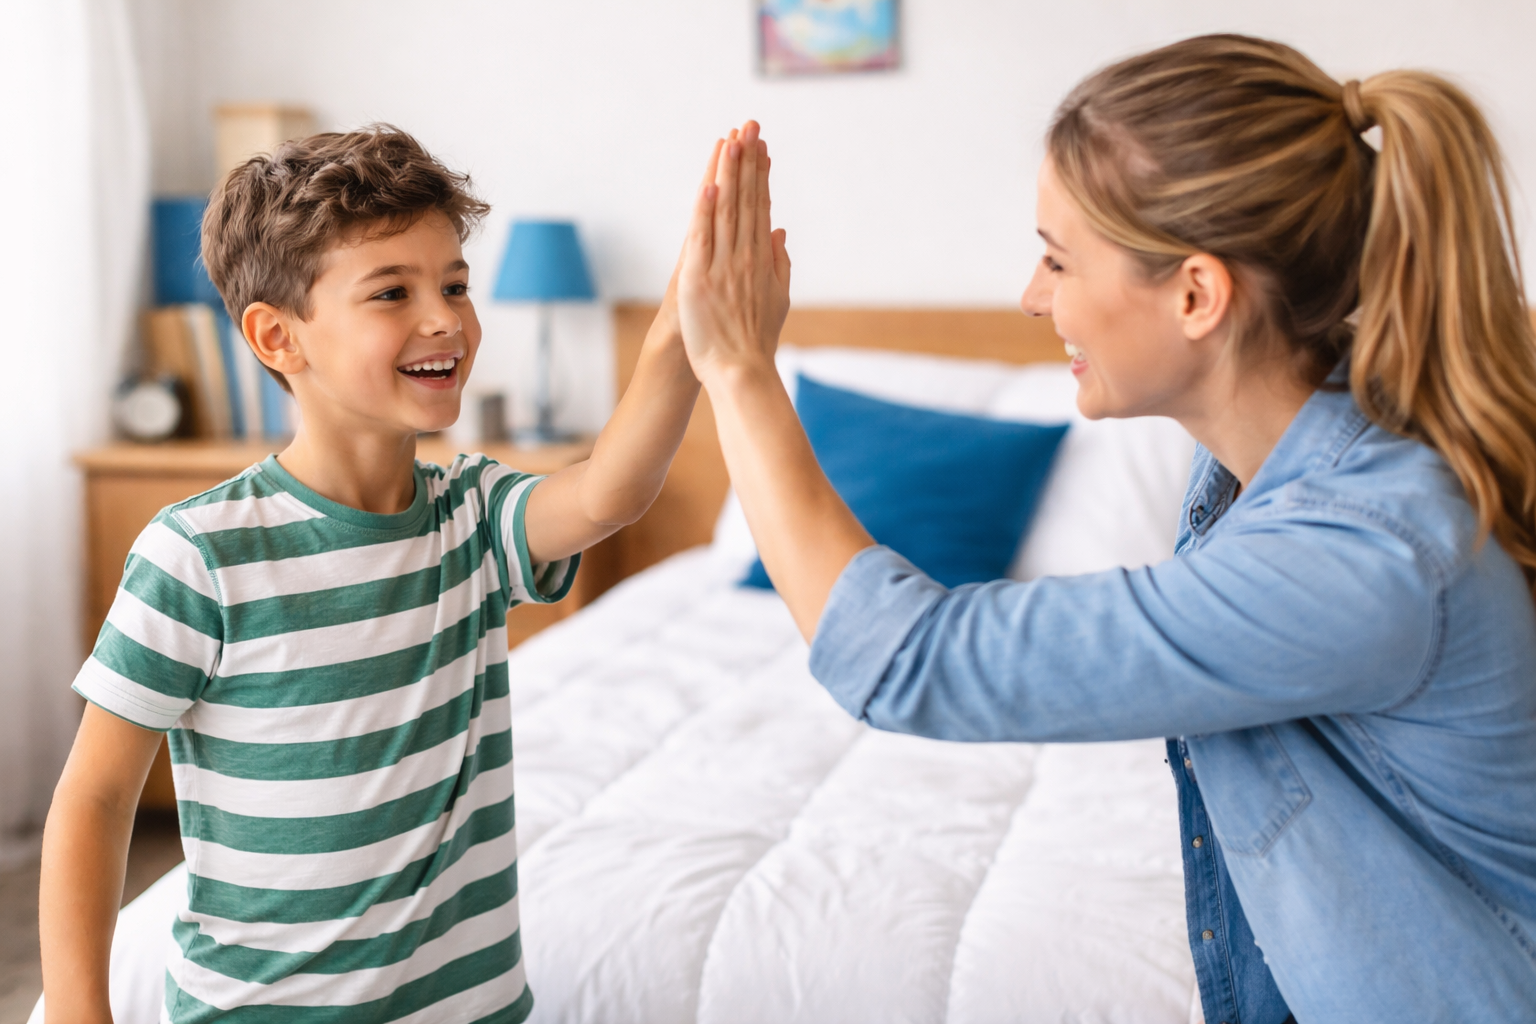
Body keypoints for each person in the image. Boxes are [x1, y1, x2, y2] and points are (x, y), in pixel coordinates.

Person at [676, 36, 1536, 1023]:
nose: (1032, 297)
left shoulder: (1362, 550)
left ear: (1197, 294)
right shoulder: (1278, 469)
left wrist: (740, 373)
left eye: (1057, 258)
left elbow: (911, 660)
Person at [39, 125, 702, 1023]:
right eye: (393, 291)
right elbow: (97, 794)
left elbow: (608, 493)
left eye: (456, 286)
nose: (445, 318)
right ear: (279, 338)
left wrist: (681, 338)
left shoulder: (472, 513)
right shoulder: (200, 553)